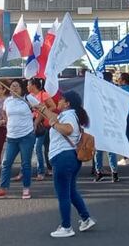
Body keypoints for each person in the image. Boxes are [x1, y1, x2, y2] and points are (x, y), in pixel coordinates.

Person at [39, 90, 95, 237]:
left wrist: (55, 125)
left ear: (67, 103)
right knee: (70, 192)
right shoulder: (70, 114)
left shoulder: (69, 115)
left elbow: (68, 130)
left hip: (63, 158)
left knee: (63, 194)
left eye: (61, 99)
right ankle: (86, 218)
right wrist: (43, 109)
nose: (59, 101)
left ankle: (66, 227)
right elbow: (54, 117)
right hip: (71, 158)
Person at [0, 79, 36, 198]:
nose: (14, 88)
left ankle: (26, 188)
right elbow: (5, 114)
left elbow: (42, 108)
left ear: (22, 88)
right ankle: (2, 189)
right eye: (12, 86)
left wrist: (35, 123)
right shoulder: (7, 101)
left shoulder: (28, 99)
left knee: (25, 164)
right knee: (6, 163)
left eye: (17, 86)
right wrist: (5, 121)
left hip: (26, 136)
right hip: (11, 137)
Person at [26, 78, 55, 180]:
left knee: (40, 148)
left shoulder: (43, 95)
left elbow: (53, 106)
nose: (27, 87)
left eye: (28, 84)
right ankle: (48, 168)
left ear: (34, 85)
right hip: (33, 124)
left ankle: (41, 171)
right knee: (42, 148)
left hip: (44, 125)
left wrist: (43, 111)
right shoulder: (29, 97)